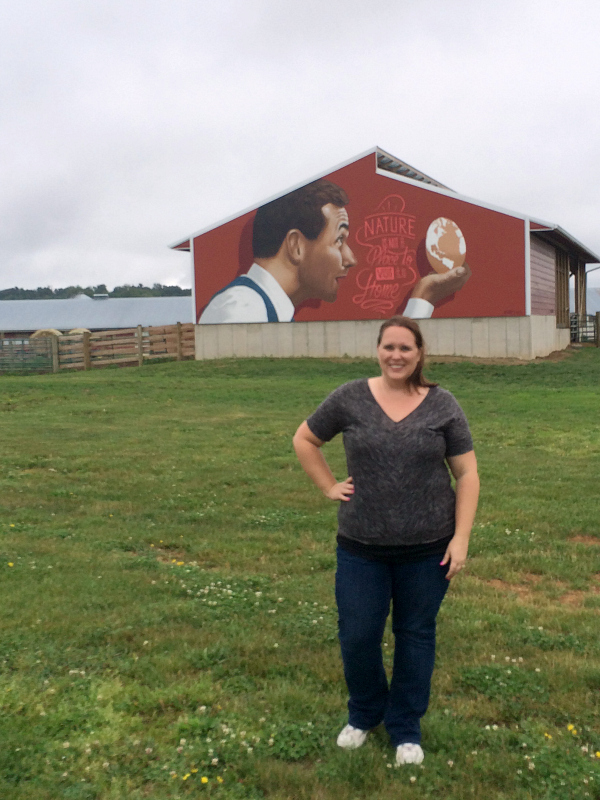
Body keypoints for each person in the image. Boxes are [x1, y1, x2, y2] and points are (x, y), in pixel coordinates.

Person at [292, 316, 479, 765]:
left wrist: (461, 539)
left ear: (419, 354)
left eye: (406, 348)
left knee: (415, 635)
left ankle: (405, 727)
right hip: (361, 548)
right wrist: (327, 486)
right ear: (378, 350)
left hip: (428, 548)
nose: (396, 355)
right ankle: (363, 714)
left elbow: (468, 474)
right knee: (358, 635)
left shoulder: (442, 404)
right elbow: (304, 439)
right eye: (388, 347)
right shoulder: (350, 396)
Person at [198, 180, 470, 323]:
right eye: (339, 240)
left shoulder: (265, 309)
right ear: (296, 246)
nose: (351, 259)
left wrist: (424, 297)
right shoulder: (243, 311)